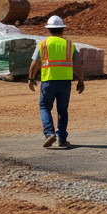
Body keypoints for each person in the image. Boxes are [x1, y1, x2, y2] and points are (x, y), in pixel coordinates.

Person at [28, 15, 84, 149]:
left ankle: (49, 133)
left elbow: (35, 63)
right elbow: (78, 63)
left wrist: (31, 78)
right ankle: (62, 139)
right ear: (62, 29)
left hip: (48, 81)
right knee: (62, 110)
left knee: (44, 107)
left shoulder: (43, 44)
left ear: (48, 30)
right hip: (65, 82)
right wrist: (81, 80)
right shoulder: (69, 45)